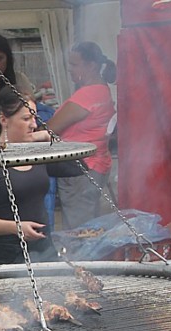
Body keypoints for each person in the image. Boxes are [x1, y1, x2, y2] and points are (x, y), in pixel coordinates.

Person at [0, 87, 76, 266]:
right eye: (26, 119)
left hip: (44, 249)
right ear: (4, 119)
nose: (33, 124)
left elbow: (77, 168)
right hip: (6, 253)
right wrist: (17, 228)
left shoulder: (37, 155)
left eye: (34, 117)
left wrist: (48, 139)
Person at [46, 41, 116, 230]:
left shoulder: (88, 95)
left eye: (74, 64)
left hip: (81, 169)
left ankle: (80, 259)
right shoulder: (102, 91)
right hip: (95, 165)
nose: (69, 69)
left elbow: (50, 128)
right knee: (87, 225)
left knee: (78, 231)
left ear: (91, 66)